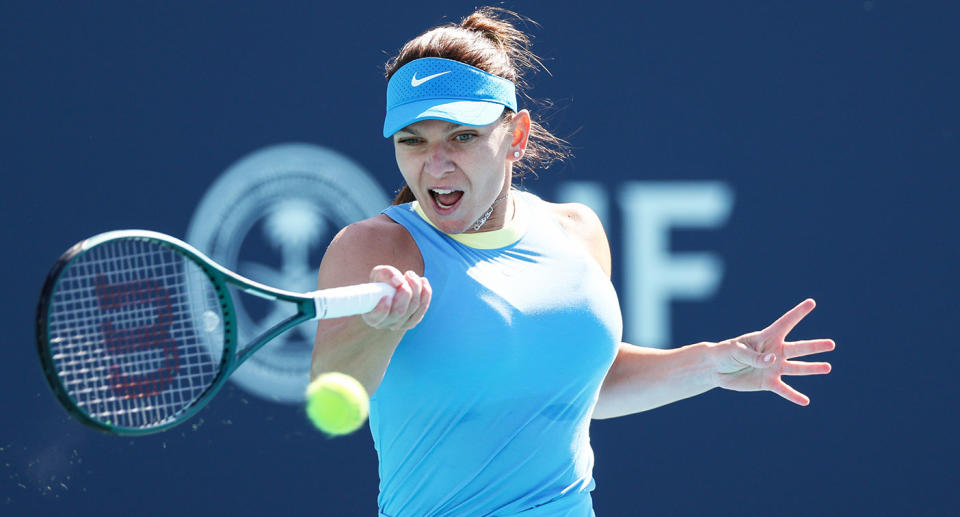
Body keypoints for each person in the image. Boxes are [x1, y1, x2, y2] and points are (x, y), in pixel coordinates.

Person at [310, 7, 834, 516]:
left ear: (516, 135)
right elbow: (333, 382)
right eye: (413, 141)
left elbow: (582, 385)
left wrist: (712, 364)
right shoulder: (376, 248)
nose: (436, 163)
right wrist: (382, 328)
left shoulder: (576, 233)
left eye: (462, 136)